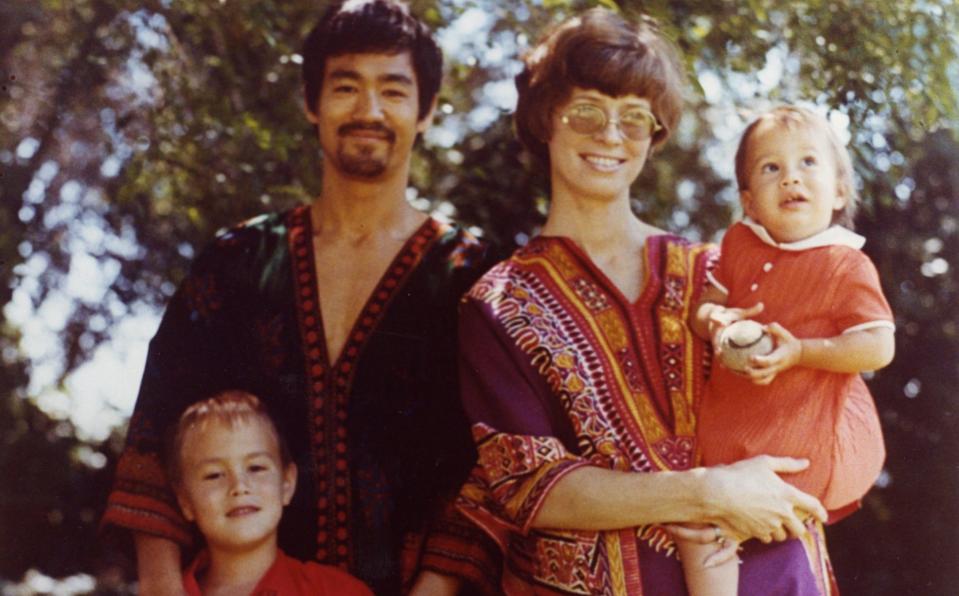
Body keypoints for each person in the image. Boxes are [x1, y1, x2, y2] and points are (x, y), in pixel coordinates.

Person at [101, 1, 499, 594]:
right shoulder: (237, 263)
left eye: (393, 90)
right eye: (346, 87)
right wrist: (162, 586)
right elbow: (157, 432)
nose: (369, 110)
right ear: (311, 103)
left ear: (427, 112)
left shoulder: (471, 275)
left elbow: (491, 461)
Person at [455, 9, 838, 595]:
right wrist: (708, 490)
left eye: (635, 119)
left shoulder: (716, 272)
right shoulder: (499, 303)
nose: (610, 135)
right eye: (587, 110)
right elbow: (530, 486)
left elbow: (804, 410)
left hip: (774, 576)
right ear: (543, 118)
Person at [675, 105, 895, 596]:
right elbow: (704, 307)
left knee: (709, 532)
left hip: (804, 440)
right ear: (750, 202)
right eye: (772, 167)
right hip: (735, 429)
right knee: (698, 530)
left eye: (808, 163)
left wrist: (802, 352)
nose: (791, 178)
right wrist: (716, 321)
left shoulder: (845, 264)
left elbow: (878, 345)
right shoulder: (738, 243)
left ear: (839, 191)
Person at [168, 391, 371, 595]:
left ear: (287, 484)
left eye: (256, 468)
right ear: (185, 501)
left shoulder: (338, 591)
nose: (239, 486)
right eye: (214, 475)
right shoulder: (167, 592)